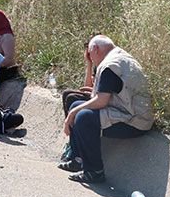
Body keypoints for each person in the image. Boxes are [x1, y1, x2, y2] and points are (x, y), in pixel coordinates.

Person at [59, 35, 154, 183]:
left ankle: (94, 171)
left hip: (135, 122)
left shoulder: (110, 66)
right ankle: (78, 160)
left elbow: (101, 101)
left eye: (89, 54)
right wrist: (75, 109)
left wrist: (71, 114)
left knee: (83, 117)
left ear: (95, 49)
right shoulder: (120, 57)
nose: (90, 58)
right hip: (127, 112)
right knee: (75, 105)